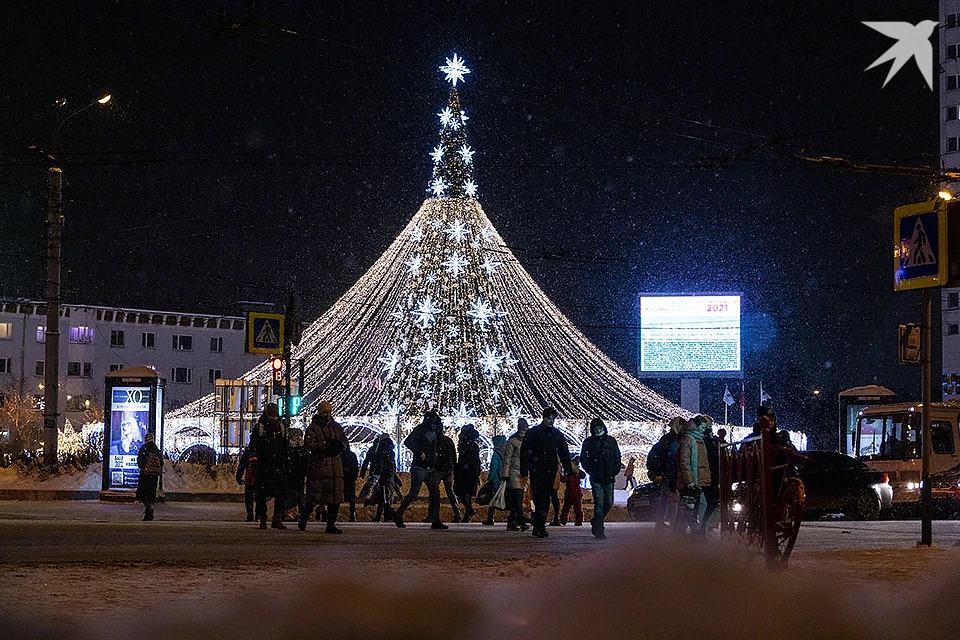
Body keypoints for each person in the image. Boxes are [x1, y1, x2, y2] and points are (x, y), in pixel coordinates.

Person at [520, 408, 573, 538]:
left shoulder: (555, 434)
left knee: (544, 499)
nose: (551, 421)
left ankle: (539, 524)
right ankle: (540, 525)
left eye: (552, 419)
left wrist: (568, 468)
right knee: (540, 499)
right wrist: (524, 469)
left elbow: (563, 452)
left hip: (548, 470)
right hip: (538, 469)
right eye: (549, 418)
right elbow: (525, 452)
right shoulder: (535, 433)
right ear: (544, 418)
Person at [299, 401, 349, 534]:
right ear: (319, 413)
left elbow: (344, 441)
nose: (328, 415)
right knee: (314, 497)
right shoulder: (313, 428)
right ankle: (305, 515)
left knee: (335, 498)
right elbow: (309, 444)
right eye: (325, 412)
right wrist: (324, 446)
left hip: (334, 468)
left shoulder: (336, 427)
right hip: (319, 468)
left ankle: (331, 524)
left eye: (329, 412)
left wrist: (338, 447)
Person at [394, 410, 446, 529]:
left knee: (435, 493)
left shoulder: (434, 430)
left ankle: (436, 519)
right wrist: (420, 452)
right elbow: (408, 442)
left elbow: (437, 441)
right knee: (413, 494)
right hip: (419, 467)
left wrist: (435, 453)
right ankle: (398, 515)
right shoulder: (420, 429)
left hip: (430, 466)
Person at [250, 403, 289, 530]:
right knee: (262, 493)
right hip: (264, 464)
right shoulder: (260, 427)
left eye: (274, 415)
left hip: (277, 464)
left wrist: (284, 459)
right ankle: (263, 518)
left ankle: (277, 518)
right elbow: (253, 446)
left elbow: (284, 446)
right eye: (271, 415)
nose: (273, 418)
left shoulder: (281, 427)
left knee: (280, 492)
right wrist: (255, 460)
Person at [580, 418, 621, 539]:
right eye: (595, 428)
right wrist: (592, 471)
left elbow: (617, 456)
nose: (598, 430)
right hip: (596, 477)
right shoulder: (589, 442)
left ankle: (597, 520)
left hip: (609, 476)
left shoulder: (610, 441)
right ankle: (599, 530)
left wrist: (615, 470)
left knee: (608, 502)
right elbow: (584, 460)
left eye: (600, 427)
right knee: (599, 503)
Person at [677, 415, 711, 537]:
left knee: (691, 507)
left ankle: (690, 530)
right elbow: (684, 462)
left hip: (698, 479)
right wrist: (690, 480)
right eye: (702, 427)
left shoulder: (697, 439)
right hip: (692, 481)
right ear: (696, 426)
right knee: (693, 506)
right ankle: (695, 531)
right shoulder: (689, 440)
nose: (704, 430)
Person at [501, 419, 529, 532]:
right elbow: (507, 459)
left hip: (523, 473)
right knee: (518, 497)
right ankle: (522, 521)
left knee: (518, 499)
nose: (524, 431)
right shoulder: (512, 442)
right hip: (514, 472)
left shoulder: (528, 442)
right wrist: (505, 474)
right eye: (522, 429)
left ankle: (511, 522)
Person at [363, 433, 398, 522]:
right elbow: (392, 464)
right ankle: (386, 516)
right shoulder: (390, 450)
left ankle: (382, 515)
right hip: (389, 475)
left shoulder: (378, 450)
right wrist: (394, 475)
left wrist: (375, 473)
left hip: (382, 475)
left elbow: (378, 463)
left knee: (382, 496)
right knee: (386, 496)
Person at [431, 426, 461, 523]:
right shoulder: (448, 441)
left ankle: (433, 514)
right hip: (448, 469)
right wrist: (452, 467)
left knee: (434, 492)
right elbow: (453, 455)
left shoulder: (435, 441)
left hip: (439, 469)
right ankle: (457, 512)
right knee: (450, 492)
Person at [453, 424, 482, 523]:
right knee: (465, 492)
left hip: (465, 472)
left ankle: (469, 510)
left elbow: (468, 459)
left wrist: (462, 467)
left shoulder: (467, 444)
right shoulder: (471, 444)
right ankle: (468, 509)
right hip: (468, 471)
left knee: (462, 492)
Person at [136, 433, 162, 521]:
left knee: (143, 493)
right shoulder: (156, 449)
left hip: (145, 475)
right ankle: (150, 507)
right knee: (151, 493)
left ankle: (148, 509)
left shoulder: (144, 448)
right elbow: (161, 462)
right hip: (154, 476)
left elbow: (140, 462)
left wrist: (144, 467)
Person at [482, 434, 507, 525]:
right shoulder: (508, 453)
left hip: (497, 480)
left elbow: (493, 468)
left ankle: (490, 517)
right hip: (505, 479)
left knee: (493, 499)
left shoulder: (496, 454)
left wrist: (489, 479)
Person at [701, 417, 720, 534]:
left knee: (711, 501)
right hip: (706, 473)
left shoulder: (711, 441)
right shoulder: (703, 441)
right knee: (706, 502)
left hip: (710, 473)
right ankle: (702, 527)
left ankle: (705, 526)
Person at [235, 445, 260, 522]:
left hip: (250, 479)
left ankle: (250, 514)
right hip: (259, 479)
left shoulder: (249, 452)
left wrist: (239, 477)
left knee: (249, 498)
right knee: (259, 498)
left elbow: (242, 465)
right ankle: (258, 515)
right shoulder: (262, 450)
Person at [559, 455, 586, 526]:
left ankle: (563, 520)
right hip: (577, 492)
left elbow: (563, 480)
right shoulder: (578, 472)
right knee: (578, 508)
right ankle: (579, 521)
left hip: (569, 492)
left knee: (566, 508)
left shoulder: (569, 473)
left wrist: (560, 473)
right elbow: (583, 476)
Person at [341, 444, 360, 522]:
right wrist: (353, 477)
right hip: (350, 479)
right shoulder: (352, 455)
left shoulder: (340, 456)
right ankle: (353, 515)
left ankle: (334, 515)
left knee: (339, 497)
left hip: (344, 479)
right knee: (351, 499)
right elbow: (356, 467)